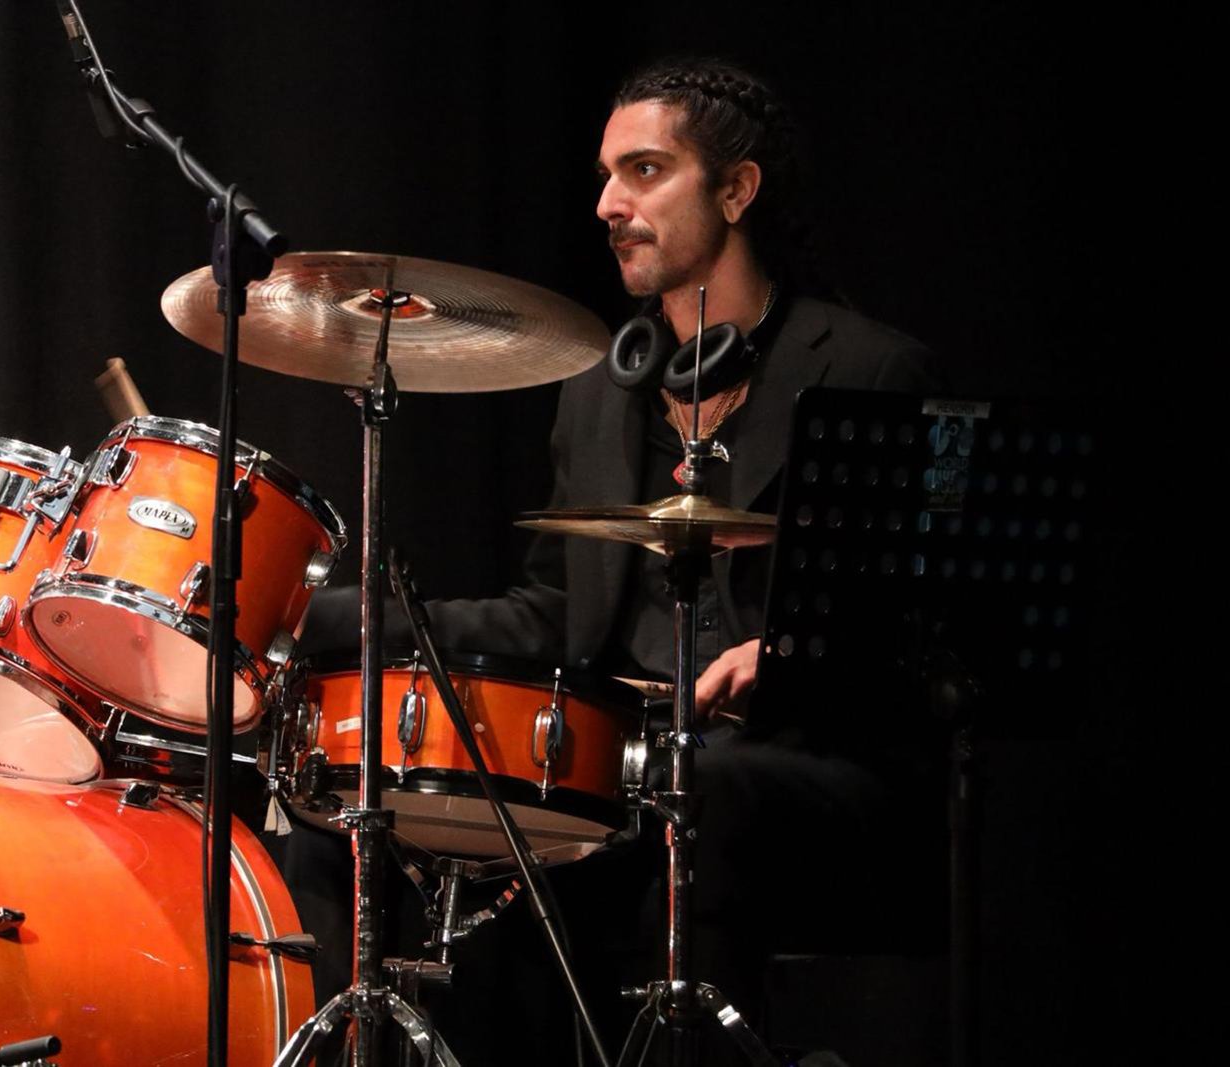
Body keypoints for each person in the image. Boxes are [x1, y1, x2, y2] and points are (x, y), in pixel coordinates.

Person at [278, 55, 948, 1065]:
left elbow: (921, 618)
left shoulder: (866, 367)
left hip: (813, 765)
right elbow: (554, 612)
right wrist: (325, 618)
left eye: (644, 171)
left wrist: (788, 650)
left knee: (702, 792)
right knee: (354, 800)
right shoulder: (601, 388)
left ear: (736, 189)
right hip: (623, 763)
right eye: (605, 176)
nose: (607, 204)